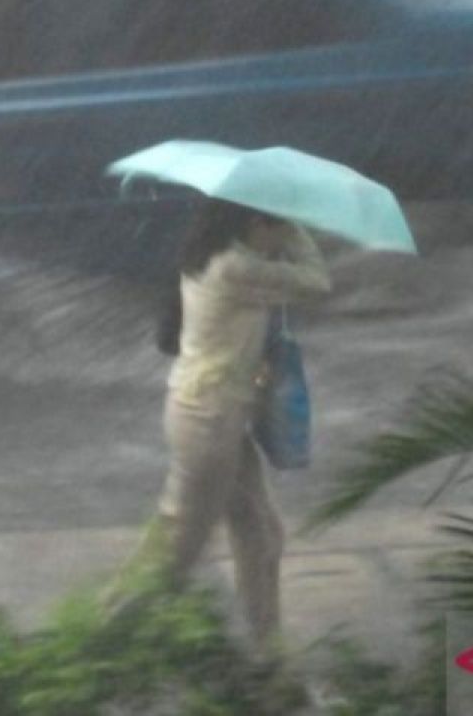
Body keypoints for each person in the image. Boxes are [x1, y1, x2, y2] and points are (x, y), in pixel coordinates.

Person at [121, 198, 331, 654]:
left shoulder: (213, 253)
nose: (284, 237)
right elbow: (318, 282)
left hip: (213, 414)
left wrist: (283, 222)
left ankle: (268, 654)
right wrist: (297, 228)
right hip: (209, 420)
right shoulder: (238, 267)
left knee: (262, 533)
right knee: (176, 552)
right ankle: (101, 642)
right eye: (279, 226)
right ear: (258, 222)